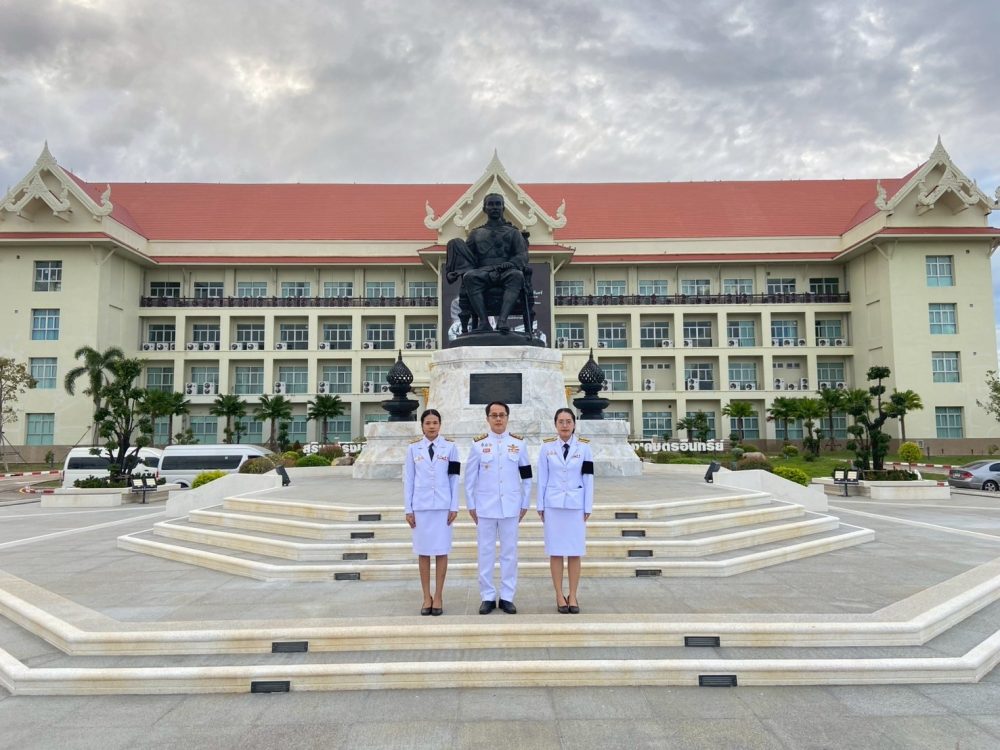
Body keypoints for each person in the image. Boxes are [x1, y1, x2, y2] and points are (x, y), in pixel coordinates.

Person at [465, 401, 532, 614]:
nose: (498, 419)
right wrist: (471, 505)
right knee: (485, 553)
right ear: (487, 419)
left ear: (507, 417)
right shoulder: (478, 445)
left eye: (502, 415)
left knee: (509, 553)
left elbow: (527, 477)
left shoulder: (519, 444)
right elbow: (469, 478)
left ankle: (507, 596)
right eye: (494, 415)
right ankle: (487, 596)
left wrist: (525, 503)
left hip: (511, 506)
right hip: (485, 507)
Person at [445, 193, 529, 333]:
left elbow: (522, 254)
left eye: (498, 204)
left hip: (505, 270)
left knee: (517, 275)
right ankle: (484, 322)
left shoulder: (513, 233)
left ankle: (502, 321)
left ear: (503, 208)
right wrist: (457, 270)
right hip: (483, 271)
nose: (494, 207)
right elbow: (469, 256)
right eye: (491, 204)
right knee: (469, 276)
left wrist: (511, 263)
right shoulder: (476, 234)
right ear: (484, 208)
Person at [537, 408, 594, 614]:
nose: (564, 425)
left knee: (575, 551)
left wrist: (588, 505)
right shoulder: (547, 448)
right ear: (555, 424)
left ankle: (573, 594)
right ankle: (559, 594)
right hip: (553, 505)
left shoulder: (584, 448)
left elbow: (588, 478)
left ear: (574, 424)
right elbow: (542, 477)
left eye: (568, 421)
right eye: (560, 421)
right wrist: (540, 505)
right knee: (555, 551)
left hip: (575, 505)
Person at [403, 409, 460, 616]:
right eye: (428, 423)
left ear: (440, 425)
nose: (432, 426)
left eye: (435, 422)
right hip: (421, 507)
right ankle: (426, 596)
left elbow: (454, 478)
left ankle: (438, 595)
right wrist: (408, 508)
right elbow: (409, 479)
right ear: (422, 426)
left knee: (442, 551)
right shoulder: (413, 449)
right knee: (424, 552)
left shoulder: (450, 447)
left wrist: (454, 506)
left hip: (443, 507)